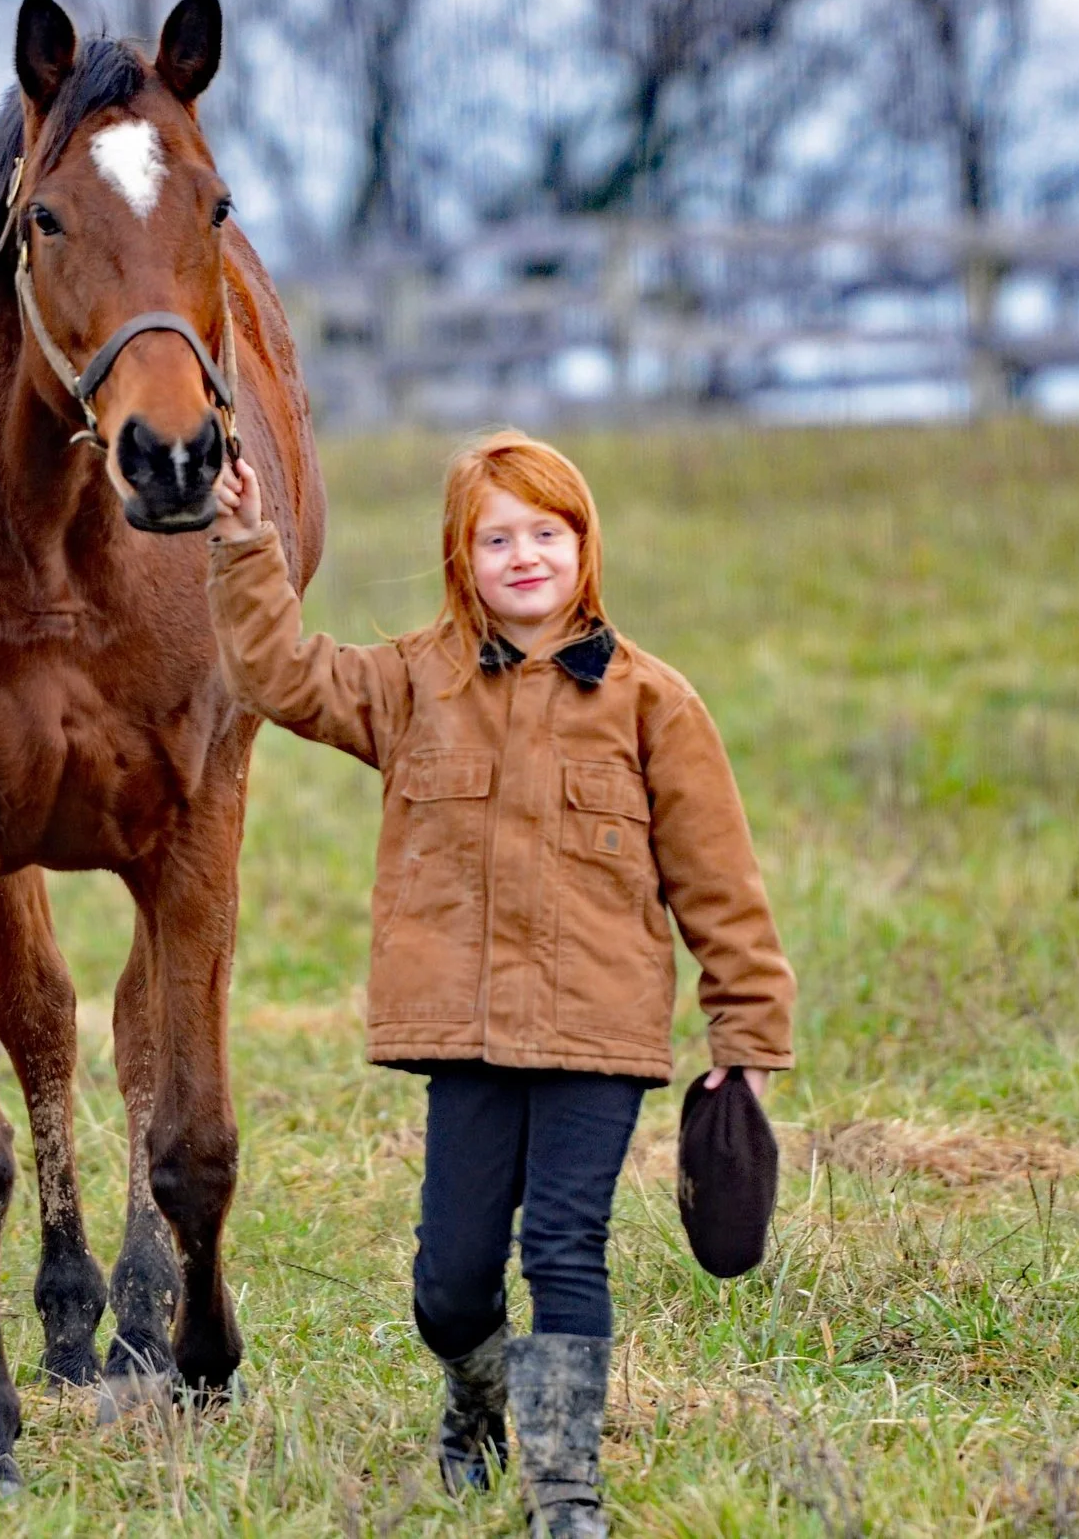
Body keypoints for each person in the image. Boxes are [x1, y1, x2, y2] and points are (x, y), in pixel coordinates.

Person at [205, 431, 795, 1538]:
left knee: (565, 1248)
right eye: (497, 539)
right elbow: (277, 674)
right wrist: (243, 543)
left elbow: (722, 888)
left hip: (597, 1034)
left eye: (546, 533)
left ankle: (565, 1495)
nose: (524, 556)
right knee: (452, 1281)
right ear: (459, 558)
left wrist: (747, 1046)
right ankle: (473, 1395)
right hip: (463, 1036)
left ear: (584, 545)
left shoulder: (654, 703)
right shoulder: (409, 683)